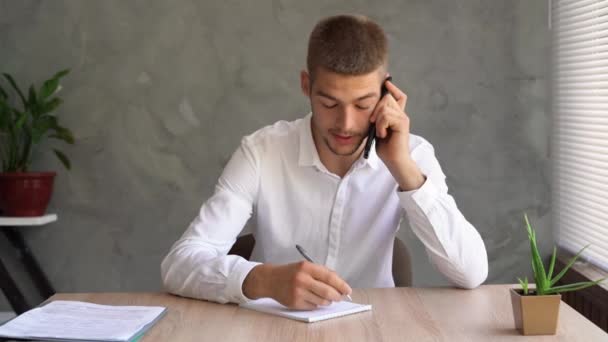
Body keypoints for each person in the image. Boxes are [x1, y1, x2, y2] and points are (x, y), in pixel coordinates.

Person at [161, 14, 488, 310]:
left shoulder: (412, 154)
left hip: (375, 328)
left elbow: (471, 273)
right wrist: (264, 280)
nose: (346, 123)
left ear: (387, 91)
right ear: (307, 86)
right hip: (273, 327)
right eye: (329, 103)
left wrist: (402, 166)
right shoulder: (262, 151)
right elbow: (179, 264)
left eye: (363, 104)